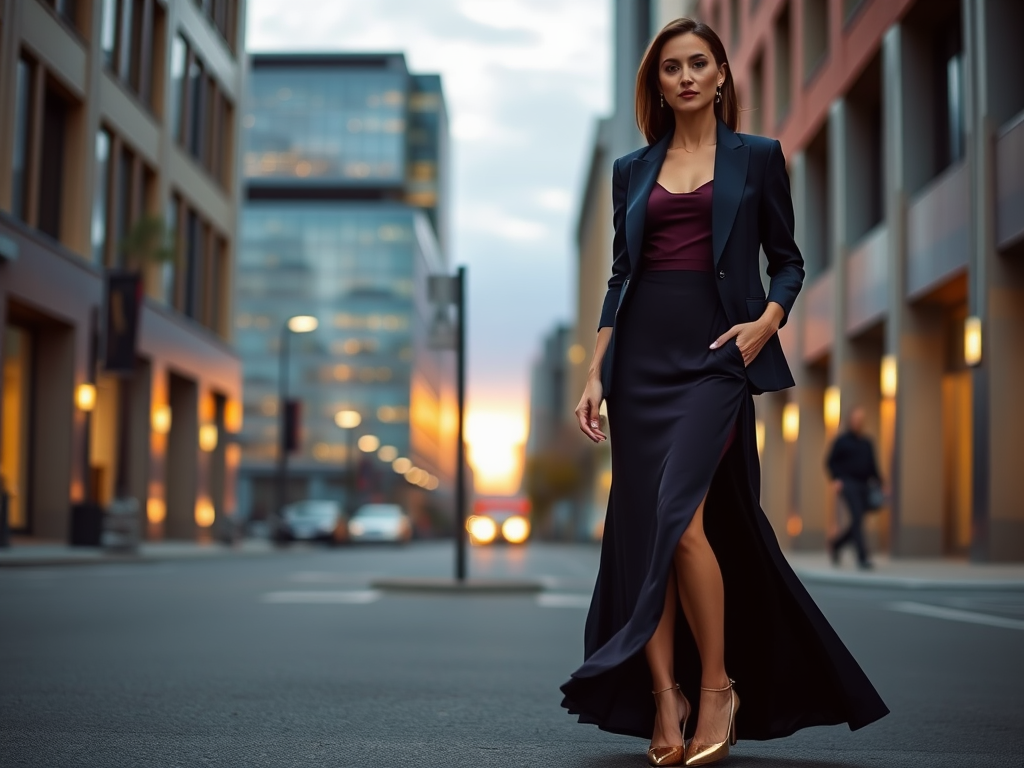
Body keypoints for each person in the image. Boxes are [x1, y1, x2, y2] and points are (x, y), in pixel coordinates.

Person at [560, 17, 888, 767]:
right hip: (639, 362)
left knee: (681, 523)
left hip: (715, 357)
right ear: (659, 83)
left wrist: (766, 323)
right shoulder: (631, 170)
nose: (684, 76)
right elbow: (620, 276)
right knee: (650, 533)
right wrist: (595, 370)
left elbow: (790, 261)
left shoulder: (760, 159)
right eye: (670, 66)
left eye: (697, 63)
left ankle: (715, 687)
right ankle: (663, 702)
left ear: (720, 76)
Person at [826, 406, 882, 570]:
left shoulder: (867, 442)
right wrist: (836, 479)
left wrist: (881, 483)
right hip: (848, 484)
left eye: (861, 419)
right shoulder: (842, 441)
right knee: (857, 517)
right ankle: (862, 557)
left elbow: (873, 465)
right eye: (855, 418)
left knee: (858, 520)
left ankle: (836, 544)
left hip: (865, 485)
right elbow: (830, 462)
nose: (858, 422)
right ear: (850, 421)